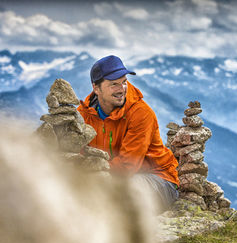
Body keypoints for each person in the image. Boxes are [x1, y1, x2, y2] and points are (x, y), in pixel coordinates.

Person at [77, 55, 179, 209]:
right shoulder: (84, 114)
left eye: (124, 82)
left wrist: (92, 174)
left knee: (119, 193)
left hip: (159, 179)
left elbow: (127, 167)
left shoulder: (140, 113)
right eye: (114, 84)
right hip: (110, 175)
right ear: (96, 88)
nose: (121, 89)